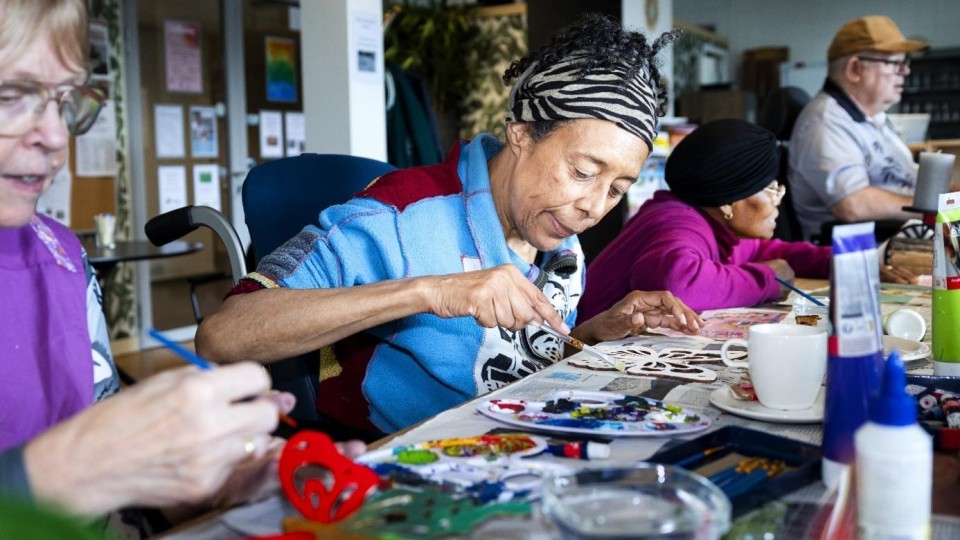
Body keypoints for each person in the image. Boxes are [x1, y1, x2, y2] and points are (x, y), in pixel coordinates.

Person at [196, 14, 703, 436]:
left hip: (514, 448)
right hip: (403, 463)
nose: (594, 206)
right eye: (583, 172)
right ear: (522, 134)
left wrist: (594, 333)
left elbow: (522, 362)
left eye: (616, 189)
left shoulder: (558, 235)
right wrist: (430, 292)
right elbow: (222, 335)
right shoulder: (396, 216)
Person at [0, 0, 363, 533]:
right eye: (12, 95)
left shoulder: (62, 256)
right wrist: (76, 466)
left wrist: (198, 489)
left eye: (63, 101)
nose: (55, 137)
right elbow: (84, 475)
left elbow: (113, 513)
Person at [579, 119, 832, 315]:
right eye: (772, 191)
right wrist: (767, 279)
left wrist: (847, 259)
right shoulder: (678, 223)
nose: (778, 202)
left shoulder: (712, 224)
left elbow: (769, 253)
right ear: (729, 201)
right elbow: (676, 283)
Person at [788, 15, 929, 241]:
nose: (905, 72)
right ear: (855, 69)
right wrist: (935, 207)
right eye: (894, 63)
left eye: (905, 63)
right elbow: (853, 204)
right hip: (866, 248)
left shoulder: (874, 118)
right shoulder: (826, 122)